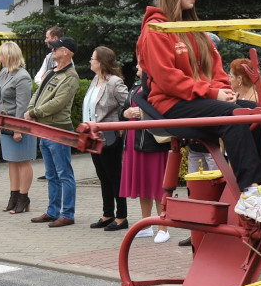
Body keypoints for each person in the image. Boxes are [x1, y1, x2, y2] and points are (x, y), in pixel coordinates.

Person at [136, 0, 261, 225]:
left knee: (254, 112)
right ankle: (250, 193)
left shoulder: (193, 29)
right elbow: (168, 79)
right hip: (170, 104)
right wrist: (212, 93)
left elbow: (215, 68)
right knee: (233, 117)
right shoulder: (155, 29)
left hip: (198, 99)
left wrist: (224, 91)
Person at [28, 35, 80, 226]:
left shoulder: (71, 76)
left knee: (64, 174)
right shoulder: (52, 71)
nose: (53, 50)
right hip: (45, 129)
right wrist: (31, 109)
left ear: (66, 52)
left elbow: (58, 103)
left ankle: (68, 214)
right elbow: (37, 93)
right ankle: (52, 211)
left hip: (59, 130)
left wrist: (34, 112)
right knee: (51, 174)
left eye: (56, 48)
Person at [120, 66, 170, 237]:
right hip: (134, 141)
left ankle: (163, 227)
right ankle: (146, 225)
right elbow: (123, 109)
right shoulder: (136, 85)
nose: (136, 66)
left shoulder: (159, 86)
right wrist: (125, 113)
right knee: (143, 184)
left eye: (140, 64)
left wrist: (142, 113)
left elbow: (165, 110)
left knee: (158, 184)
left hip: (153, 140)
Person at [0, 41, 35, 213]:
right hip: (5, 124)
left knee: (23, 162)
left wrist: (18, 129)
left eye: (0, 55)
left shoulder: (22, 76)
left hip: (18, 125)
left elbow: (23, 106)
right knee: (12, 162)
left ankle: (24, 197)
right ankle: (14, 196)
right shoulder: (4, 73)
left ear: (9, 56)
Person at [86, 46, 131, 229]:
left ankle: (121, 216)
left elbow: (127, 104)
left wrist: (120, 124)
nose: (90, 61)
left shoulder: (114, 82)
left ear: (102, 62)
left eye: (93, 58)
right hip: (93, 135)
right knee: (102, 175)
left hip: (110, 136)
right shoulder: (95, 80)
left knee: (114, 176)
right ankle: (107, 214)